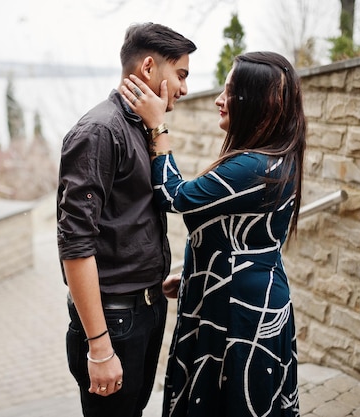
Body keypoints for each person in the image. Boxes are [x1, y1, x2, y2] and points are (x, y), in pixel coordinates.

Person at [120, 51, 305, 416]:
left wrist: (158, 126)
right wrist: (195, 275)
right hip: (227, 294)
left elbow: (175, 196)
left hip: (240, 313)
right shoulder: (271, 157)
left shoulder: (255, 166)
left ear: (258, 102)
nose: (219, 100)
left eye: (230, 91)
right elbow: (235, 232)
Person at [57, 22, 197, 417]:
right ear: (149, 67)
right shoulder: (100, 131)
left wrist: (152, 274)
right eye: (181, 74)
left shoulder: (143, 126)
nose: (185, 89)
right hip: (115, 320)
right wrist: (99, 347)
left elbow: (135, 216)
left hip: (148, 309)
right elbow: (75, 243)